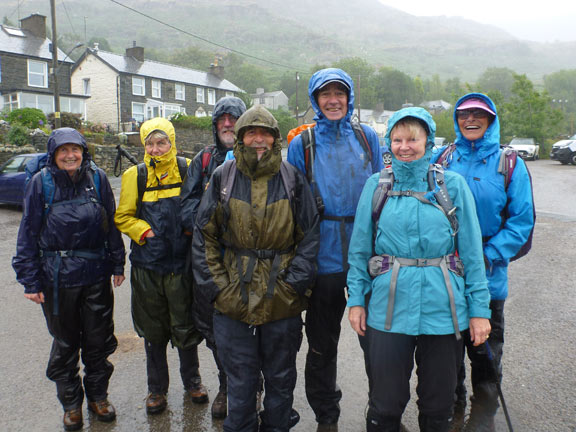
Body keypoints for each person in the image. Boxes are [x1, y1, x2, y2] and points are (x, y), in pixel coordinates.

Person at [347, 107, 492, 432]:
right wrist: (356, 299)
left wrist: (479, 310)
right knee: (384, 407)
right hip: (388, 308)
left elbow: (471, 253)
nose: (404, 146)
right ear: (389, 142)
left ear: (427, 140)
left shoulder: (452, 185)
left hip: (443, 309)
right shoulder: (376, 185)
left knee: (438, 408)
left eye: (412, 138)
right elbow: (359, 250)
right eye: (397, 139)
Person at [192, 105, 320, 432]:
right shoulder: (224, 176)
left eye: (265, 133)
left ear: (276, 138)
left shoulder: (293, 179)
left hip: (282, 297)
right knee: (241, 379)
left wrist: (293, 286)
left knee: (280, 378)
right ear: (241, 138)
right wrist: (218, 288)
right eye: (252, 132)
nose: (258, 139)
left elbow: (309, 236)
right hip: (234, 298)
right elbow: (204, 234)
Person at [287, 67, 383, 431]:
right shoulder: (303, 144)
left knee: (376, 340)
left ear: (349, 97)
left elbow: (386, 189)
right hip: (322, 254)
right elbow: (292, 202)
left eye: (339, 93)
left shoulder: (367, 137)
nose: (333, 100)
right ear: (315, 99)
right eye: (325, 94)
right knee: (322, 344)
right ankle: (327, 413)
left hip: (366, 254)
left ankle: (381, 407)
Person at [12, 127, 126, 431]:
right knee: (65, 344)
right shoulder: (41, 184)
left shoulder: (98, 178)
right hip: (57, 280)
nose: (70, 155)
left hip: (95, 276)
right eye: (63, 150)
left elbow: (110, 223)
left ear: (83, 151)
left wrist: (118, 262)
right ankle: (72, 404)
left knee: (98, 342)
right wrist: (30, 280)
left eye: (75, 149)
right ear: (54, 154)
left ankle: (99, 398)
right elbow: (28, 232)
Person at [438, 94, 535, 432]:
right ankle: (451, 414)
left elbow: (521, 222)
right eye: (465, 115)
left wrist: (487, 255)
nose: (471, 120)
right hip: (445, 275)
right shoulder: (443, 158)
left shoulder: (509, 163)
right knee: (446, 358)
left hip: (489, 276)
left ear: (491, 120)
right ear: (456, 119)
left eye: (480, 114)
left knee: (485, 357)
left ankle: (481, 420)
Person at [114, 117, 207, 415]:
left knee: (185, 327)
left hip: (182, 265)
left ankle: (193, 381)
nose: (155, 149)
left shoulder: (187, 167)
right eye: (149, 144)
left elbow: (199, 205)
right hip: (148, 267)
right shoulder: (134, 175)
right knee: (153, 331)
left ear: (171, 142)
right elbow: (123, 216)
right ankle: (156, 390)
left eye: (161, 142)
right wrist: (144, 231)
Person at [180, 95, 246, 419]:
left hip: (247, 263)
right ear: (214, 125)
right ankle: (226, 385)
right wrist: (214, 226)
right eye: (222, 119)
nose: (227, 124)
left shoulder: (256, 159)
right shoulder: (203, 161)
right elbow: (187, 207)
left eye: (233, 118)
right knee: (213, 330)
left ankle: (251, 387)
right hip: (210, 260)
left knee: (249, 328)